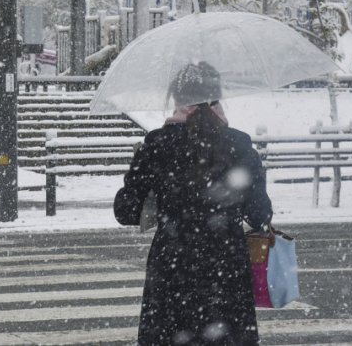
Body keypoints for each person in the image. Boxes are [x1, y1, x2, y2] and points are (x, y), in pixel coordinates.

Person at [114, 61, 273, 345]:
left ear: (177, 98)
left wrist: (143, 173)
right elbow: (260, 214)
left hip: (173, 268)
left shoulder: (157, 144)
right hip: (226, 268)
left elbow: (126, 211)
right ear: (217, 96)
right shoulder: (239, 144)